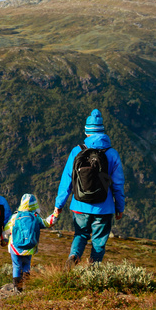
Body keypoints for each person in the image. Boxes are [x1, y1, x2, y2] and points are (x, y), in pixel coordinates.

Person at [50, 109, 126, 268]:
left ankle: (73, 256)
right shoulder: (112, 154)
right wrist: (120, 207)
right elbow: (118, 185)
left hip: (80, 205)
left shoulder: (77, 151)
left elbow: (67, 180)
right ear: (102, 131)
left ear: (87, 131)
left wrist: (59, 205)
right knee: (99, 242)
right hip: (104, 208)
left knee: (80, 235)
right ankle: (93, 270)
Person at [4, 193, 51, 291]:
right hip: (30, 247)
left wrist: (4, 239)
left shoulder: (15, 216)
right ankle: (26, 285)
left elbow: (6, 230)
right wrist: (54, 216)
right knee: (26, 265)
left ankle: (17, 287)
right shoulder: (35, 217)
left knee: (16, 266)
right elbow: (46, 223)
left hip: (15, 247)